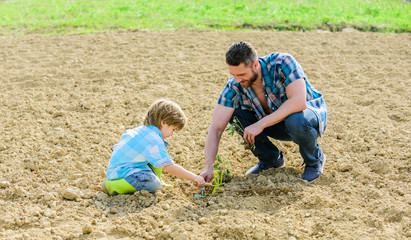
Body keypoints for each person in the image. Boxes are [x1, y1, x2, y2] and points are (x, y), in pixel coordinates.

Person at [200, 41, 328, 183]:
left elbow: (298, 102)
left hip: (307, 118)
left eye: (242, 74)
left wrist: (260, 124)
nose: (238, 79)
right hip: (276, 124)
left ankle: (314, 160)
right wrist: (209, 167)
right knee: (236, 115)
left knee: (296, 119)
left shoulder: (282, 62)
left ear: (255, 64)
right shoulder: (235, 86)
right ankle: (271, 160)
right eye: (233, 74)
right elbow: (216, 128)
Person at [102, 99, 206, 196]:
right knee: (152, 184)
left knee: (158, 156)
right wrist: (195, 177)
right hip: (121, 173)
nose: (172, 134)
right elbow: (170, 167)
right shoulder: (153, 139)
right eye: (173, 129)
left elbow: (158, 160)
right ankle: (113, 187)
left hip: (121, 169)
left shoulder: (145, 131)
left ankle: (158, 180)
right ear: (164, 122)